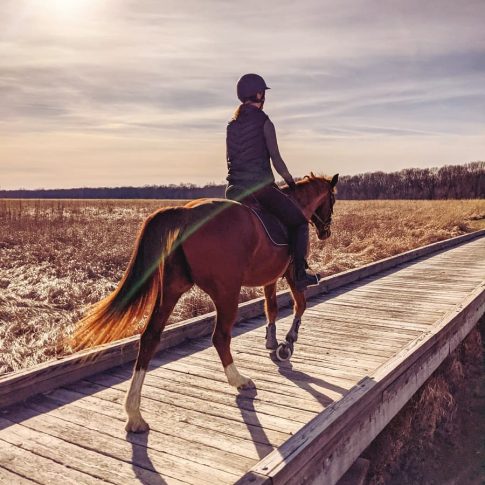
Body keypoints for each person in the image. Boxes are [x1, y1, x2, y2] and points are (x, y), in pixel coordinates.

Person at [225, 73, 319, 291]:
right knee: (300, 223)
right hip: (260, 189)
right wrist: (290, 181)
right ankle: (300, 274)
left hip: (233, 190)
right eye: (263, 93)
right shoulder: (265, 122)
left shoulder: (231, 125)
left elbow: (229, 159)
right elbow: (275, 158)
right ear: (258, 94)